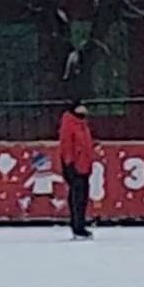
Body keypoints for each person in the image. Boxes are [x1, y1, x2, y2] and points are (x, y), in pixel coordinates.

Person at [58, 98, 95, 240]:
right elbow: (66, 144)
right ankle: (77, 227)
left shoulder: (82, 124)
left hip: (84, 164)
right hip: (75, 165)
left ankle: (80, 225)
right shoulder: (70, 124)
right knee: (77, 197)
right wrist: (69, 163)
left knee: (82, 196)